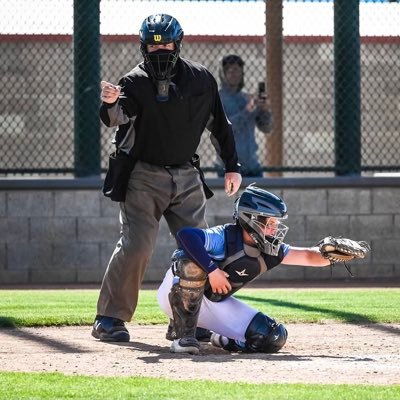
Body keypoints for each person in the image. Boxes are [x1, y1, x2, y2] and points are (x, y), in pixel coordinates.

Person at [92, 14, 242, 342]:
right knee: (138, 243)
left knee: (199, 248)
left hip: (186, 173)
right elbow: (115, 117)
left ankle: (189, 319)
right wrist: (110, 102)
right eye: (153, 45)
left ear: (179, 43)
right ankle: (109, 318)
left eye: (167, 44)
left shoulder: (201, 79)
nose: (160, 50)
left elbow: (220, 125)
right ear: (143, 47)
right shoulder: (133, 81)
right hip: (143, 175)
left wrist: (232, 166)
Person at [157, 184, 367, 355]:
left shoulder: (269, 248)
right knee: (191, 263)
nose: (275, 229)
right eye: (271, 223)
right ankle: (183, 335)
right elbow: (186, 235)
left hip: (211, 304)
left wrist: (330, 254)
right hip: (173, 295)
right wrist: (212, 270)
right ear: (252, 220)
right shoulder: (225, 236)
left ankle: (213, 335)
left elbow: (306, 255)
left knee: (272, 337)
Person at [213, 55, 273, 178]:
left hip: (252, 167)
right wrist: (247, 112)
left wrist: (265, 111)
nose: (233, 74)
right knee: (230, 197)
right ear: (223, 74)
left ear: (242, 73)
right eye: (229, 70)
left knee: (256, 197)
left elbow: (267, 128)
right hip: (227, 168)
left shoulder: (247, 98)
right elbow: (223, 130)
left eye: (237, 70)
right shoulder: (217, 99)